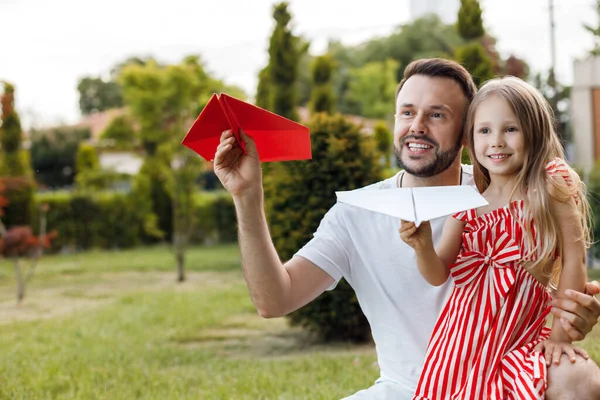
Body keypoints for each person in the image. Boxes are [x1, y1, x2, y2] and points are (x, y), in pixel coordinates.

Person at [212, 58, 600, 399]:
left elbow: (558, 261)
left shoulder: (503, 192)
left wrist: (572, 314)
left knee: (580, 378)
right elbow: (274, 300)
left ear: (467, 131)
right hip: (407, 389)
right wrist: (247, 199)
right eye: (407, 112)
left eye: (436, 114)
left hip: (506, 371)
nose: (417, 126)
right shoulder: (356, 212)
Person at [400, 76, 594, 399]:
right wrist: (422, 245)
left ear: (534, 132)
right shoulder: (467, 202)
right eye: (484, 130)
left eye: (510, 129)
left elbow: (576, 260)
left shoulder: (548, 187)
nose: (496, 141)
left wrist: (561, 335)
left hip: (522, 337)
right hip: (461, 343)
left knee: (578, 384)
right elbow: (438, 273)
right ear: (471, 139)